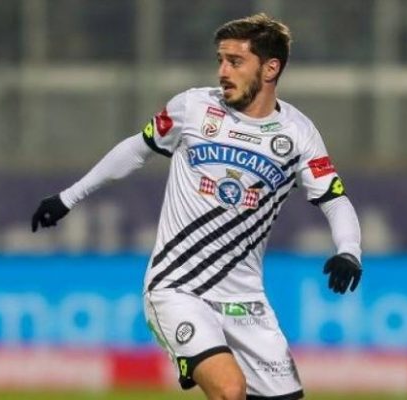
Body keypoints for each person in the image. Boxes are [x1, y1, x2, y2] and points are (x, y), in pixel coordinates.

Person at [32, 13, 362, 400]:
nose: (223, 72)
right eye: (221, 60)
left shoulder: (298, 133)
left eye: (235, 62)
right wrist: (68, 197)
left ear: (270, 68)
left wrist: (349, 250)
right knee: (229, 390)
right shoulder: (193, 107)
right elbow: (136, 150)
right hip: (177, 288)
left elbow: (334, 199)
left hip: (245, 301)